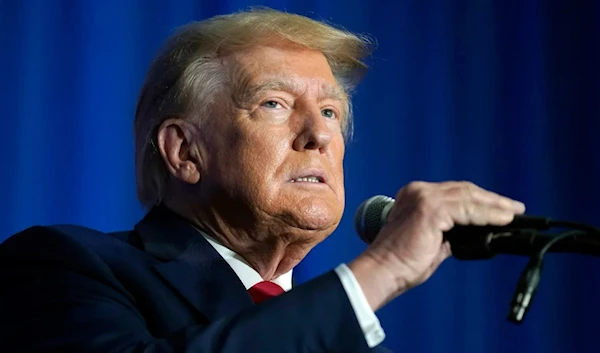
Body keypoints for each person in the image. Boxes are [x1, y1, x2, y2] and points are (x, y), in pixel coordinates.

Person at [0, 7, 525, 353]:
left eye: (331, 112)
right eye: (274, 104)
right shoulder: (64, 266)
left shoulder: (345, 331)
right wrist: (383, 269)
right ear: (184, 151)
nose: (318, 135)